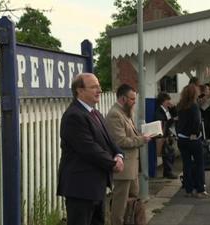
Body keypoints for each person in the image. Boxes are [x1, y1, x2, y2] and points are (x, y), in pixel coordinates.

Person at [57, 73, 124, 225]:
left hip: (96, 186)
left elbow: (110, 141)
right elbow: (89, 149)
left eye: (99, 86)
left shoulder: (95, 113)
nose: (99, 90)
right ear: (79, 91)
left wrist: (119, 155)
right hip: (80, 188)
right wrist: (113, 164)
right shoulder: (73, 116)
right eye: (94, 87)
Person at [104, 84, 151, 225]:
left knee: (132, 201)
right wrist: (142, 139)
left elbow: (130, 135)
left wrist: (141, 136)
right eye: (132, 99)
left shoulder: (126, 113)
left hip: (131, 167)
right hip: (123, 169)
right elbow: (120, 141)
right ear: (123, 98)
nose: (134, 102)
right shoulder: (115, 115)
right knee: (120, 204)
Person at [177, 84, 210, 199]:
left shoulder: (180, 106)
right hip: (193, 139)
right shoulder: (194, 106)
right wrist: (195, 133)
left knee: (186, 165)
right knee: (199, 164)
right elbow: (196, 121)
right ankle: (200, 189)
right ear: (194, 94)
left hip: (181, 138)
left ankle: (189, 189)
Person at [155, 92, 178, 179]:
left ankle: (168, 171)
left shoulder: (167, 110)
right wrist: (172, 120)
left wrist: (173, 108)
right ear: (163, 101)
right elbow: (162, 121)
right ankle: (168, 172)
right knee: (167, 153)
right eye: (168, 100)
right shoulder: (159, 111)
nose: (169, 102)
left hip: (169, 133)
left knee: (170, 152)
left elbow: (175, 115)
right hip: (163, 135)